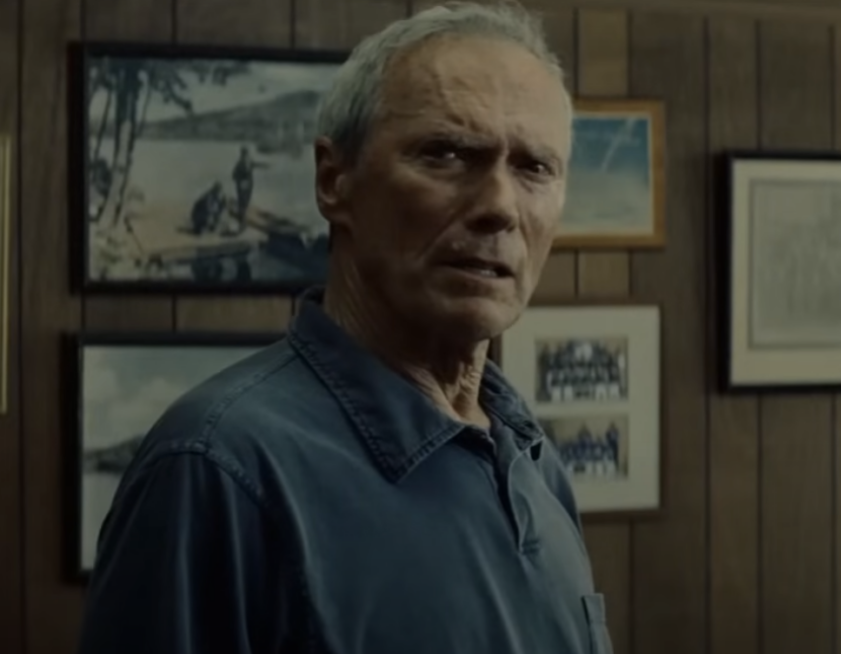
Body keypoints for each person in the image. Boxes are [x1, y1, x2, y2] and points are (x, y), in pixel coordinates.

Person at [76, 3, 613, 654]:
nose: (499, 206)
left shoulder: (533, 464)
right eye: (445, 154)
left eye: (534, 168)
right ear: (334, 181)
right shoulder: (219, 469)